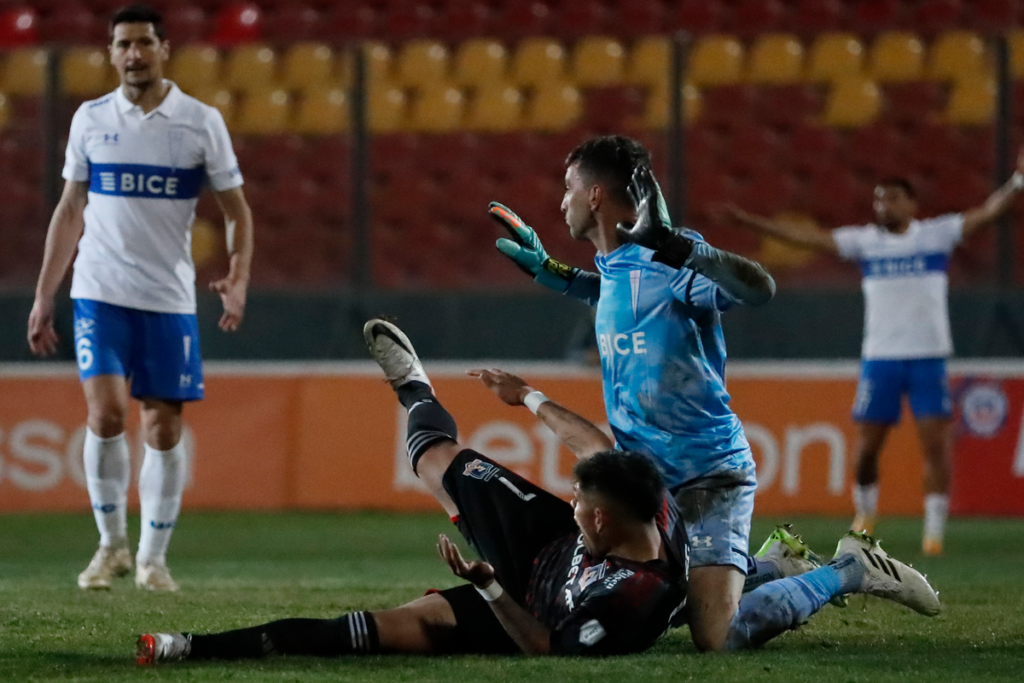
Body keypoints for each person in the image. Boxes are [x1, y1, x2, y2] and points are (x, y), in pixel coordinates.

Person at [136, 319, 940, 665]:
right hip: (543, 555)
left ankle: (840, 569)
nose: (580, 498)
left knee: (718, 633)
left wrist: (485, 584)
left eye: (587, 502)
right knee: (435, 459)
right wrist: (525, 398)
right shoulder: (616, 506)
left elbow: (548, 651)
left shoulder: (626, 601)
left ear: (611, 516)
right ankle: (414, 385)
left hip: (529, 605)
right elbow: (592, 445)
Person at [490, 136, 781, 652]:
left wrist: (680, 247)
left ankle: (846, 570)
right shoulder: (617, 263)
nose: (562, 202)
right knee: (617, 599)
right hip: (647, 484)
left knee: (715, 638)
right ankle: (768, 566)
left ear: (596, 195)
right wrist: (549, 271)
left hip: (707, 474)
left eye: (568, 189)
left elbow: (759, 291)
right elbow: (612, 289)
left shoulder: (667, 258)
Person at [26, 4, 254, 591]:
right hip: (98, 291)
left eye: (144, 43)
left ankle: (153, 558)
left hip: (168, 297)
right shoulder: (90, 118)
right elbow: (71, 207)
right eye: (123, 44)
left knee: (163, 430)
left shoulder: (199, 121)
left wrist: (239, 273)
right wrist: (44, 294)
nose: (133, 53)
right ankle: (111, 548)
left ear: (163, 49)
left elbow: (236, 210)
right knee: (104, 414)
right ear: (111, 52)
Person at [723, 155, 1024, 557]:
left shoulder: (935, 236)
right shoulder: (866, 242)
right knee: (866, 449)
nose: (883, 206)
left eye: (893, 199)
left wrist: (1018, 181)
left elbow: (985, 214)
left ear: (912, 205)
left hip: (928, 357)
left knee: (934, 445)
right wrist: (749, 223)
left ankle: (933, 534)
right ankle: (865, 514)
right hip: (880, 358)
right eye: (879, 199)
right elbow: (809, 240)